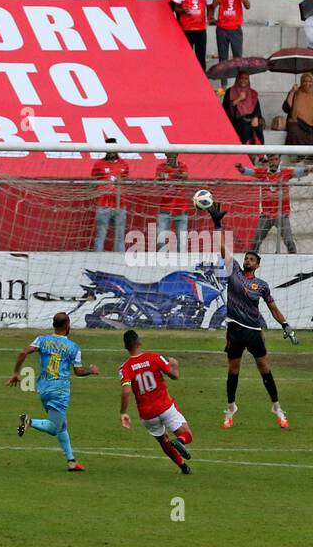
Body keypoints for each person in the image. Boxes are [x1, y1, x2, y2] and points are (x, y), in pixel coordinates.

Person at [199, 197, 295, 429]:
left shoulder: (261, 285)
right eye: (247, 258)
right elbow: (222, 248)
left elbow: (272, 307)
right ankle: (230, 407)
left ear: (258, 264)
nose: (247, 260)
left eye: (252, 259)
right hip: (234, 330)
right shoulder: (234, 272)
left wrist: (285, 325)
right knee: (233, 369)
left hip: (253, 331)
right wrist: (218, 225)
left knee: (264, 368)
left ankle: (277, 407)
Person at [12, 313, 100, 472]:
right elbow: (78, 371)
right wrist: (91, 370)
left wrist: (16, 373)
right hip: (60, 390)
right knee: (54, 427)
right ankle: (28, 421)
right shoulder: (73, 347)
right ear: (67, 326)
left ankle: (71, 461)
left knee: (62, 426)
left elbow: (24, 352)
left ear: (53, 325)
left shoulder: (42, 340)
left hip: (43, 389)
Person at [118, 331, 192, 474]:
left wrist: (123, 412)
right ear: (140, 343)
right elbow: (175, 376)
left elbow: (126, 391)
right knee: (186, 434)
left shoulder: (124, 368)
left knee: (163, 440)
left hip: (147, 415)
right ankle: (180, 441)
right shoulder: (155, 358)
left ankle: (183, 466)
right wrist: (175, 364)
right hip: (165, 407)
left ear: (125, 346)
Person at [90, 145, 128, 252]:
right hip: (103, 205)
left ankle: (120, 260)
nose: (111, 151)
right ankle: (97, 260)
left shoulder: (124, 164)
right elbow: (92, 180)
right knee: (100, 235)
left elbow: (126, 180)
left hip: (120, 205)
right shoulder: (99, 164)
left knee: (120, 236)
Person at [283, 73, 313, 150]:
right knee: (294, 130)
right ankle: (297, 156)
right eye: (304, 81)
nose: (307, 84)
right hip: (298, 122)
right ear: (301, 82)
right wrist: (292, 92)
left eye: (310, 82)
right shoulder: (296, 92)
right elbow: (286, 108)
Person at [223, 70, 265, 148]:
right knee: (245, 128)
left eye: (246, 78)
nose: (243, 80)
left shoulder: (253, 93)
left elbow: (257, 108)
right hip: (237, 119)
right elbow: (225, 108)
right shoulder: (230, 91)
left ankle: (261, 153)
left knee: (258, 129)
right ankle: (247, 153)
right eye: (241, 78)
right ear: (237, 79)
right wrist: (238, 99)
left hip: (251, 118)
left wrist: (256, 117)